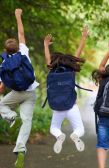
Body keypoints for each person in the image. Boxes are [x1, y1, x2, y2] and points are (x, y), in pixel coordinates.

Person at [0, 9, 39, 168]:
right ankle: (21, 148)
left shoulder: (4, 64)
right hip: (30, 92)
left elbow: (2, 87)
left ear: (6, 50)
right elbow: (21, 34)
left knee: (2, 104)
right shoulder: (24, 52)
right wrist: (18, 16)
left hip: (16, 93)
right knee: (27, 121)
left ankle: (11, 117)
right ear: (17, 47)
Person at [43, 26, 89, 154]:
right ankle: (75, 135)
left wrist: (46, 45)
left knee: (54, 127)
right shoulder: (70, 70)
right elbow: (78, 53)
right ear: (69, 61)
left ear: (53, 62)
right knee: (80, 129)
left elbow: (47, 59)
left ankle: (59, 135)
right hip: (71, 106)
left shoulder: (52, 70)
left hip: (57, 107)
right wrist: (84, 37)